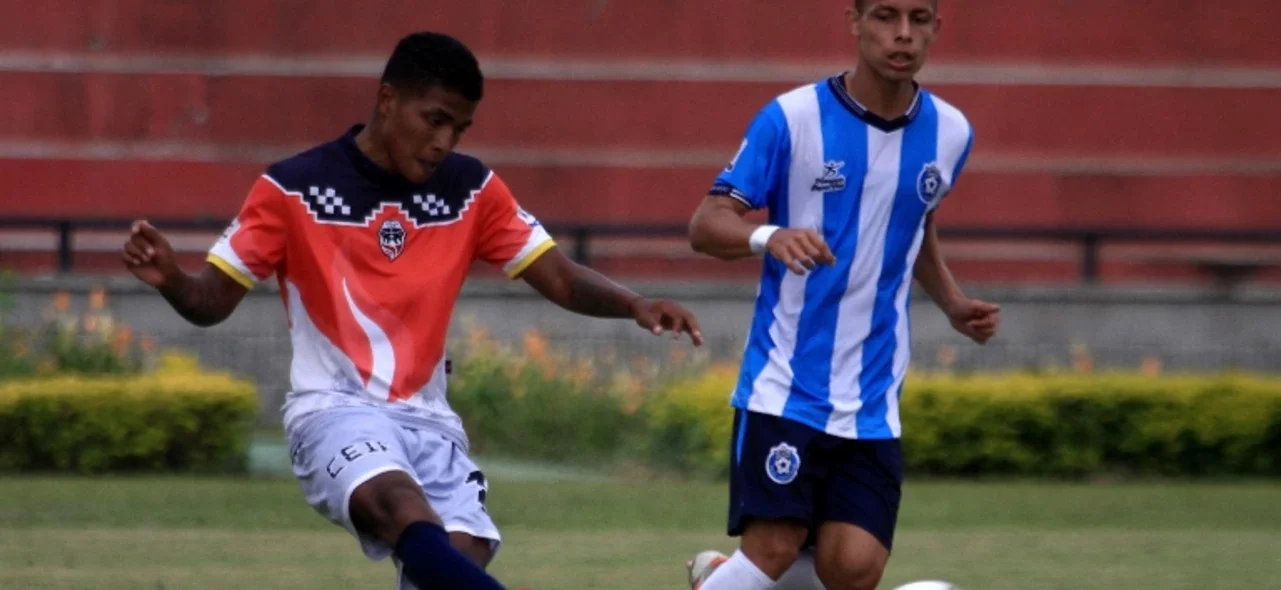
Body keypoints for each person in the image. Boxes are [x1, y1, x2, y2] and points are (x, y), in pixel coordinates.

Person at [120, 31, 703, 590]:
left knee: (458, 559)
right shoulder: (293, 188)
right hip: (335, 409)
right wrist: (172, 278)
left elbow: (558, 276)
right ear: (387, 99)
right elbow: (210, 303)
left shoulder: (470, 189)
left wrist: (635, 304)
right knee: (400, 506)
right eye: (435, 120)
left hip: (430, 420)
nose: (445, 142)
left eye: (460, 127)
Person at [684, 1, 999, 589]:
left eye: (919, 18)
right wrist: (769, 235)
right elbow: (706, 223)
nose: (903, 34)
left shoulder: (952, 132)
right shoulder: (791, 118)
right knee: (775, 546)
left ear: (937, 27)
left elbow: (912, 224)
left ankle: (720, 582)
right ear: (854, 22)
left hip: (873, 399)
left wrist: (953, 302)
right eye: (885, 16)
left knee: (851, 569)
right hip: (786, 385)